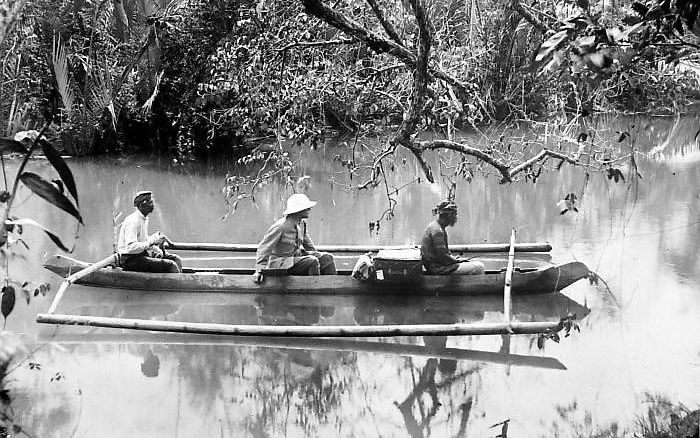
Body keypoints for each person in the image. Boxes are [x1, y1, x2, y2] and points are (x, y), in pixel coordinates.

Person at [253, 193, 336, 284]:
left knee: (327, 258)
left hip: (296, 259)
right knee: (312, 261)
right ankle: (314, 288)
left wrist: (320, 257)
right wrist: (259, 271)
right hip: (281, 264)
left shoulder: (301, 224)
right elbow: (264, 248)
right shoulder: (281, 226)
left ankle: (332, 285)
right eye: (306, 207)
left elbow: (309, 246)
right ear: (298, 210)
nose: (310, 209)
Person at [117, 190, 182, 273]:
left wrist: (156, 246)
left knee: (176, 259)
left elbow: (143, 241)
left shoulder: (144, 218)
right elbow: (131, 248)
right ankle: (175, 283)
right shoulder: (133, 221)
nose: (153, 205)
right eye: (150, 202)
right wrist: (152, 242)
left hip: (141, 255)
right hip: (130, 259)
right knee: (171, 265)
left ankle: (180, 279)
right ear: (142, 205)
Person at [420, 200, 485, 275]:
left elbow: (442, 254)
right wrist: (455, 260)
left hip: (436, 267)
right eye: (455, 214)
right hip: (439, 269)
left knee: (473, 264)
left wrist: (454, 259)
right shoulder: (438, 231)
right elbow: (443, 257)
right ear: (448, 215)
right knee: (479, 267)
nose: (456, 218)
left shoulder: (434, 226)